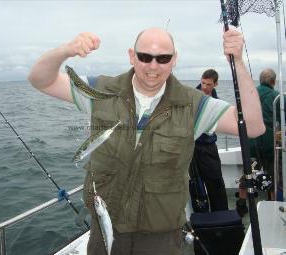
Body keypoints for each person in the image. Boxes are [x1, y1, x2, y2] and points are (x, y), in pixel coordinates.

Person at [28, 28, 265, 255]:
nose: (153, 66)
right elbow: (41, 80)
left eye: (163, 58)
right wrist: (66, 50)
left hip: (160, 239)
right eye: (145, 57)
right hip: (104, 229)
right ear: (132, 56)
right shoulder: (99, 91)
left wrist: (239, 63)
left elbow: (253, 126)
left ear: (174, 60)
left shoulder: (194, 105)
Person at [237, 68, 283, 213]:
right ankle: (273, 206)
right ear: (273, 82)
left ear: (260, 79)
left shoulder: (248, 96)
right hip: (271, 146)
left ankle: (241, 204)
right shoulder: (278, 97)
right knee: (274, 177)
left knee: (249, 173)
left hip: (251, 145)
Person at [190, 69, 228, 212]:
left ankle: (221, 215)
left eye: (209, 84)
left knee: (216, 181)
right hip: (192, 147)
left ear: (216, 84)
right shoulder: (192, 98)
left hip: (209, 146)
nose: (205, 87)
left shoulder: (217, 101)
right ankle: (201, 218)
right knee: (195, 183)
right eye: (203, 83)